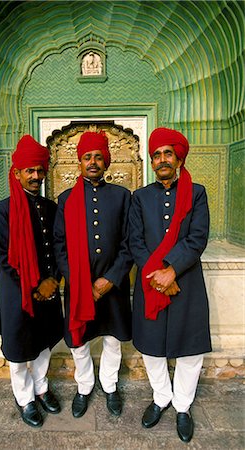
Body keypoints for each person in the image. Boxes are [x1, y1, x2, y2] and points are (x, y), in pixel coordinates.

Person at [129, 127, 212, 443]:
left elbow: (197, 237)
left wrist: (172, 271)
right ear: (151, 161)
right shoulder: (141, 197)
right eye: (156, 155)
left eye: (167, 153)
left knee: (189, 349)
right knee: (151, 346)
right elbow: (135, 241)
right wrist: (157, 275)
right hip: (151, 282)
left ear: (178, 157)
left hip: (186, 281)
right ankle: (161, 396)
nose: (162, 159)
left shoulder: (197, 193)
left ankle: (182, 406)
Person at [53, 130, 132, 418]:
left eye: (99, 156)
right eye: (87, 157)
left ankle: (109, 386)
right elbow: (59, 246)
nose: (93, 162)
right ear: (80, 162)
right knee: (80, 341)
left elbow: (129, 243)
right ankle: (84, 387)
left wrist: (110, 279)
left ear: (107, 162)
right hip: (79, 286)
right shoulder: (66, 199)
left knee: (112, 339)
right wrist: (80, 283)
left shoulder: (123, 197)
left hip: (114, 285)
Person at [0, 135, 64, 428]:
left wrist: (53, 280)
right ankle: (25, 398)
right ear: (18, 173)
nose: (35, 176)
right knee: (20, 349)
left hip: (48, 290)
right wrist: (35, 285)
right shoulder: (4, 209)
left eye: (39, 170)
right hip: (17, 292)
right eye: (29, 171)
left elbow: (60, 248)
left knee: (45, 342)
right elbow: (3, 257)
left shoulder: (50, 208)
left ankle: (42, 388)